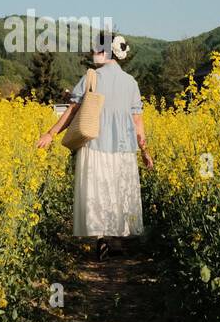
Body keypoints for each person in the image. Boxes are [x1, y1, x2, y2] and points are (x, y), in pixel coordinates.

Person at [36, 32, 153, 258]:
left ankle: (101, 239)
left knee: (98, 191)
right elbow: (138, 121)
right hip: (124, 148)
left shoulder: (92, 77)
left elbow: (72, 110)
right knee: (120, 191)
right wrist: (144, 151)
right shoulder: (131, 82)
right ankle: (117, 240)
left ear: (105, 52)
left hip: (95, 143)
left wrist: (51, 133)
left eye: (95, 49)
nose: (92, 53)